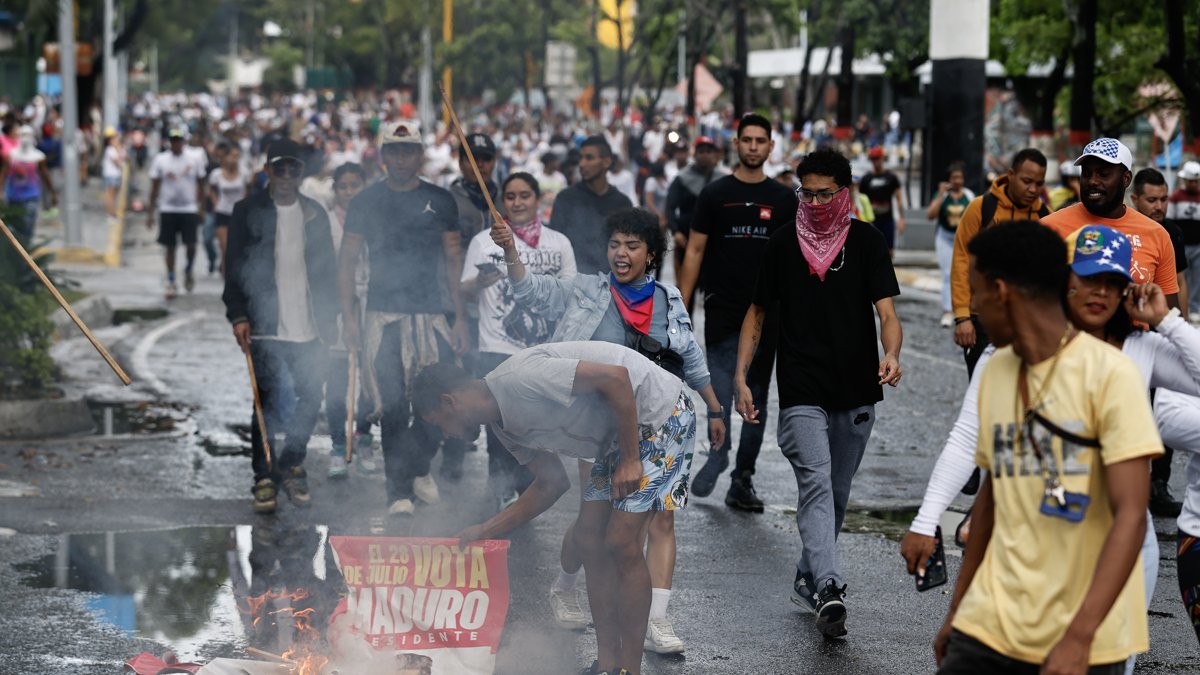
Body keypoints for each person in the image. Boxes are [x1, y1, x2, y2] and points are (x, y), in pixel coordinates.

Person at [905, 224, 1200, 672]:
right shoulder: (999, 364)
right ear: (1065, 282)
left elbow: (1130, 515)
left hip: (1092, 605)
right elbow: (990, 487)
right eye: (1088, 279)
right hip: (996, 618)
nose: (1100, 292)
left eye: (1113, 283)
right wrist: (957, 610)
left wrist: (1168, 321)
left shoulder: (1120, 367)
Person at [501, 206, 724, 654]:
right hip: (598, 428)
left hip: (657, 423)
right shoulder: (586, 290)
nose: (621, 254)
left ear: (651, 253)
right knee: (593, 522)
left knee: (661, 517)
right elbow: (531, 293)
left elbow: (691, 354)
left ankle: (655, 620)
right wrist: (510, 252)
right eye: (614, 244)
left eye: (632, 245)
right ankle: (565, 585)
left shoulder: (668, 298)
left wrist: (716, 408)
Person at [414, 340, 699, 675]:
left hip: (659, 415)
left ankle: (629, 671)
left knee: (621, 541)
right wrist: (484, 530)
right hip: (616, 437)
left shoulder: (519, 378)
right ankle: (608, 665)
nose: (446, 434)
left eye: (440, 424)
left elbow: (617, 379)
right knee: (589, 539)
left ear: (450, 401)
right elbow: (551, 484)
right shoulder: (503, 428)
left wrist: (632, 459)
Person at [734, 147, 902, 639]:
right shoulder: (784, 244)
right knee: (816, 481)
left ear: (844, 193)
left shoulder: (868, 242)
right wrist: (741, 377)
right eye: (805, 192)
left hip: (856, 386)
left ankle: (807, 576)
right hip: (802, 385)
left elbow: (887, 315)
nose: (813, 201)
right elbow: (757, 312)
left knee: (837, 493)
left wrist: (891, 355)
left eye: (824, 193)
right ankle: (829, 584)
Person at [337, 119, 467, 517]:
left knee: (438, 404)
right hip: (384, 318)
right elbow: (347, 261)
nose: (401, 159)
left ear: (420, 154)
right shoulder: (366, 201)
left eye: (408, 150)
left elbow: (452, 262)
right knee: (392, 407)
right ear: (383, 155)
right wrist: (349, 318)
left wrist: (460, 317)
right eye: (393, 151)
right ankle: (398, 493)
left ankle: (417, 466)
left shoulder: (441, 200)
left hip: (430, 318)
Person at [679, 113, 799, 513]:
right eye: (746, 140)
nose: (752, 146)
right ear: (737, 144)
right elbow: (694, 250)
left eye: (759, 140)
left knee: (757, 393)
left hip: (769, 311)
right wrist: (680, 302)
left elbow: (793, 259)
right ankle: (718, 454)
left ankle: (741, 478)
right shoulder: (715, 195)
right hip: (722, 307)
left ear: (770, 147)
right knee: (720, 388)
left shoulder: (784, 200)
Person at [222, 138, 339, 515]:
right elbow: (235, 267)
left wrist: (333, 318)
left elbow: (327, 273)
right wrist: (238, 314)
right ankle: (264, 476)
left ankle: (291, 462)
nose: (286, 176)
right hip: (266, 325)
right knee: (266, 403)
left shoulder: (314, 214)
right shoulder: (246, 211)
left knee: (311, 397)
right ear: (267, 171)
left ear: (301, 172)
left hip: (309, 327)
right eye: (279, 168)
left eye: (293, 169)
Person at [460, 172, 576, 508]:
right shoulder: (484, 241)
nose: (517, 202)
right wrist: (480, 282)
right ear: (501, 202)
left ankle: (530, 491)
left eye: (525, 195)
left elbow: (570, 296)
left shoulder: (559, 243)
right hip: (496, 347)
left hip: (543, 350)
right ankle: (499, 488)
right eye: (510, 196)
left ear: (538, 200)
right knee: (499, 427)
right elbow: (464, 289)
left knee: (536, 427)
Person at [1041, 138, 1180, 310]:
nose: (1093, 181)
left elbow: (1171, 315)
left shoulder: (1157, 234)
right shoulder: (1047, 229)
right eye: (1086, 173)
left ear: (1126, 179)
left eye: (1103, 174)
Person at [950, 148, 1049, 377]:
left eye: (1039, 183)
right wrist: (963, 316)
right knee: (981, 397)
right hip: (982, 322)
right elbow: (961, 259)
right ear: (1011, 174)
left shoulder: (1046, 218)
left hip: (1026, 323)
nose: (1033, 189)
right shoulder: (981, 208)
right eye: (1026, 181)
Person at [1131, 167, 1190, 517]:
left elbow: (1178, 281)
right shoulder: (1122, 230)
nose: (1159, 206)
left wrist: (1180, 327)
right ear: (1134, 198)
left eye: (1164, 199)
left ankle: (1158, 484)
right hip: (1131, 337)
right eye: (1151, 200)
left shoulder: (1172, 233)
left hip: (1162, 334)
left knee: (1163, 409)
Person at [443, 132, 501, 481]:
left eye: (485, 158)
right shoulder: (449, 200)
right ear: (460, 162)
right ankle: (453, 455)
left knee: (493, 382)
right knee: (459, 378)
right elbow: (447, 259)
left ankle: (502, 470)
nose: (478, 165)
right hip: (459, 299)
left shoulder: (504, 198)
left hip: (496, 304)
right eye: (471, 158)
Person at [323, 162, 372, 479]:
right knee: (338, 382)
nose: (350, 192)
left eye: (356, 185)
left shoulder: (376, 218)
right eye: (343, 186)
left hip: (372, 303)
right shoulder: (326, 223)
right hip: (337, 306)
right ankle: (338, 446)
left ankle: (364, 437)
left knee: (369, 378)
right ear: (335, 190)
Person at [550, 136, 633, 274]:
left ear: (607, 162)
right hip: (573, 283)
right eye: (580, 158)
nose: (582, 164)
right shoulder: (566, 199)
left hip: (611, 284)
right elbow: (555, 244)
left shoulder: (622, 203)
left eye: (589, 158)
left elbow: (627, 248)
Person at [147, 129, 206, 299]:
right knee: (170, 247)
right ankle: (171, 279)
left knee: (191, 245)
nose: (176, 143)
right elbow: (154, 187)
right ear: (169, 142)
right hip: (168, 209)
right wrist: (150, 213)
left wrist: (201, 208)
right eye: (173, 140)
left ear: (184, 141)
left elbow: (202, 184)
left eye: (179, 140)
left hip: (188, 208)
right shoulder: (161, 160)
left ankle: (188, 269)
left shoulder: (194, 159)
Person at [664, 136, 723, 297]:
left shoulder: (723, 179)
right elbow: (670, 207)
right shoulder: (682, 178)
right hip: (686, 242)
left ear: (715, 155)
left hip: (714, 244)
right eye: (701, 151)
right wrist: (675, 232)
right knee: (685, 291)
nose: (705, 155)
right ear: (695, 154)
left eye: (709, 151)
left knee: (714, 292)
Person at [926, 162, 975, 328]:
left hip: (964, 239)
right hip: (945, 238)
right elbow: (930, 215)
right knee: (947, 274)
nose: (957, 181)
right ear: (948, 179)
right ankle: (947, 311)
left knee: (965, 273)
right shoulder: (943, 196)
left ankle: (964, 309)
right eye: (954, 177)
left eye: (960, 177)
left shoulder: (969, 196)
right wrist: (940, 194)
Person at [0, 125, 57, 242]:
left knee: (28, 227)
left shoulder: (38, 157)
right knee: (15, 229)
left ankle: (26, 248)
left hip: (31, 196)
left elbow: (45, 175)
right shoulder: (11, 156)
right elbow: (4, 174)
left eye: (28, 135)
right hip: (14, 197)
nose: (25, 138)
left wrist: (52, 192)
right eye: (23, 135)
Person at [208, 144, 250, 276]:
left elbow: (248, 190)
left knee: (237, 247)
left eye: (237, 156)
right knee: (225, 246)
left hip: (238, 214)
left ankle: (231, 269)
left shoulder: (245, 173)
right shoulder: (216, 174)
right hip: (223, 211)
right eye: (232, 156)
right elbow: (210, 189)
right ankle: (227, 276)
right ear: (225, 158)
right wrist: (215, 202)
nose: (234, 159)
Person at [1168, 161, 1200, 318]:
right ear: (1185, 180)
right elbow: (1171, 222)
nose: (1193, 184)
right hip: (1182, 245)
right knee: (1182, 278)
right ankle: (1182, 308)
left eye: (1196, 181)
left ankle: (1194, 309)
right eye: (1191, 181)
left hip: (1198, 246)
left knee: (1197, 278)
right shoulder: (1175, 197)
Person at [861, 145, 905, 255]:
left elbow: (899, 198)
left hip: (887, 219)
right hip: (871, 220)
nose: (875, 161)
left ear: (882, 158)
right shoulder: (866, 179)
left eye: (877, 158)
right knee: (871, 251)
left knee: (889, 251)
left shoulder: (891, 177)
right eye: (873, 159)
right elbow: (860, 201)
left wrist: (901, 219)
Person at [101, 128, 124, 217]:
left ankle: (111, 212)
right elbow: (118, 162)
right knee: (111, 195)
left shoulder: (113, 149)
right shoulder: (110, 150)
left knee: (113, 195)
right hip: (111, 175)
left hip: (114, 174)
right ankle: (111, 213)